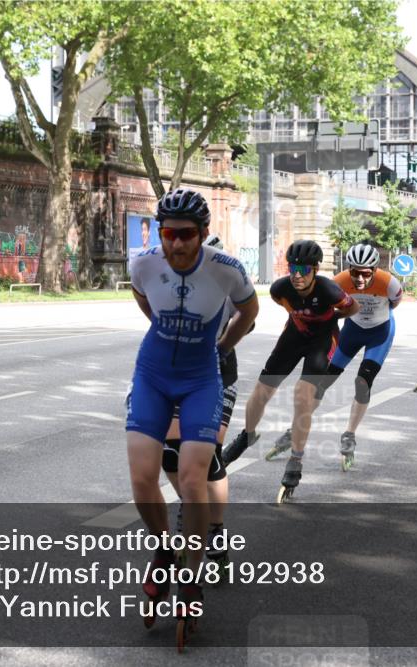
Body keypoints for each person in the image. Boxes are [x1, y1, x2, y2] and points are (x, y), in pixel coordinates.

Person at [125, 189, 259, 638]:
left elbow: (250, 311)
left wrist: (223, 345)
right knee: (142, 477)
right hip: (153, 375)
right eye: (168, 234)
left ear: (202, 234)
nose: (177, 243)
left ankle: (192, 573)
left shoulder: (226, 269)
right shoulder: (144, 264)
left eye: (185, 235)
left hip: (202, 379)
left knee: (191, 478)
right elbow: (142, 297)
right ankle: (165, 550)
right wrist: (162, 328)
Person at [221, 240, 358, 501]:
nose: (297, 275)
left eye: (303, 270)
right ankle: (247, 436)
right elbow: (284, 305)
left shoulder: (329, 290)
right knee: (262, 391)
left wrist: (330, 318)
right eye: (293, 268)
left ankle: (295, 459)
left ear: (315, 270)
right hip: (294, 336)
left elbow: (353, 308)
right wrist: (303, 317)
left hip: (322, 340)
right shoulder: (279, 289)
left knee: (302, 396)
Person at [157, 234, 240, 572]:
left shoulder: (228, 287)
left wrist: (222, 345)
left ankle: (216, 532)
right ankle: (190, 506)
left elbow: (247, 318)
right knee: (169, 452)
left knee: (208, 455)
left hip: (218, 378)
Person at [318, 243, 402, 470]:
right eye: (355, 272)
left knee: (362, 382)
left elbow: (394, 304)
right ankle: (297, 425)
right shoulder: (338, 282)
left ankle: (349, 434)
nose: (360, 278)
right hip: (352, 330)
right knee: (324, 379)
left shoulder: (389, 283)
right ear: (349, 269)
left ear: (374, 270)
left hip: (380, 333)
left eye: (366, 273)